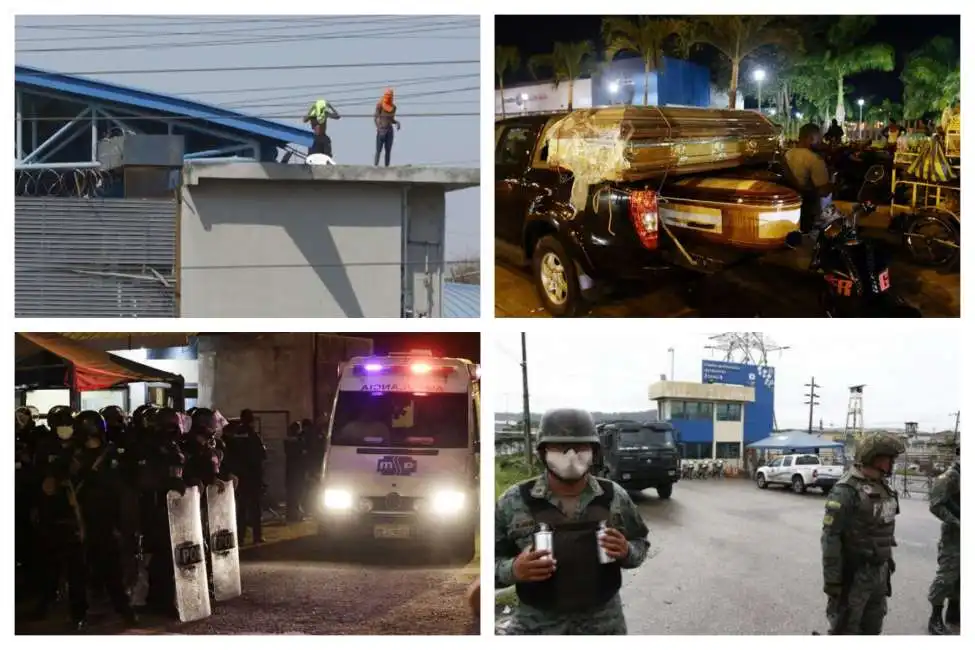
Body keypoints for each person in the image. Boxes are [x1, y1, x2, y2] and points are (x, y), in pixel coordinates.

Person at [495, 408, 651, 635]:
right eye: (559, 447)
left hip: (604, 626)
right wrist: (513, 570)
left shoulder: (614, 495)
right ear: (543, 452)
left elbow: (640, 543)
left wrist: (627, 551)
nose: (570, 455)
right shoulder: (513, 501)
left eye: (580, 447)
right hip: (537, 627)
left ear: (593, 452)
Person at [820, 432, 905, 635]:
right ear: (873, 457)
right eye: (888, 458)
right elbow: (830, 538)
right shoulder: (846, 490)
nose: (892, 463)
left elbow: (884, 529)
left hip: (878, 572)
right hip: (854, 574)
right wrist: (832, 581)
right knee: (846, 629)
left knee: (873, 627)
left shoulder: (883, 487)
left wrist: (887, 563)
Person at [70, 410, 139, 629]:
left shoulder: (111, 454)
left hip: (105, 520)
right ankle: (78, 614)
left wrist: (123, 523)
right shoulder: (75, 457)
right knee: (79, 572)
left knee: (111, 570)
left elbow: (122, 489)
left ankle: (123, 610)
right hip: (81, 519)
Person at [926, 443, 960, 635]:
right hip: (954, 537)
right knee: (947, 577)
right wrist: (957, 522)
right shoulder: (950, 476)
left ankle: (954, 613)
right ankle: (935, 618)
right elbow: (936, 505)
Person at [225, 409, 267, 544]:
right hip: (253, 477)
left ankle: (240, 537)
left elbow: (230, 455)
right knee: (255, 508)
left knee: (241, 509)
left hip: (240, 476)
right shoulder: (253, 435)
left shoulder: (235, 435)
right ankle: (257, 536)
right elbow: (261, 455)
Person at [783, 123, 834, 233]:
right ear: (810, 139)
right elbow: (823, 191)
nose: (821, 143)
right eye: (819, 139)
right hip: (807, 210)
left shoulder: (787, 154)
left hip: (788, 207)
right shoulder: (814, 159)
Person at [284, 420, 307, 522]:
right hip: (298, 471)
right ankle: (296, 515)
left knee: (290, 495)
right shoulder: (299, 441)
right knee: (298, 494)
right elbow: (303, 453)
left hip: (290, 471)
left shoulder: (287, 441)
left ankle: (290, 515)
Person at [374, 88, 401, 167]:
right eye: (387, 95)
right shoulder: (380, 105)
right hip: (381, 130)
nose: (388, 97)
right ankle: (375, 166)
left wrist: (396, 122)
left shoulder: (393, 107)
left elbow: (391, 119)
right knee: (378, 150)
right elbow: (376, 117)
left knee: (388, 150)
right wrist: (379, 127)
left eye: (390, 95)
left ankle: (387, 167)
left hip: (389, 130)